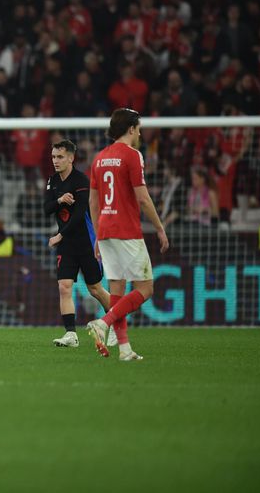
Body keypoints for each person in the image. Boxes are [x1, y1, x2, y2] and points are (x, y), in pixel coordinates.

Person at [87, 109, 169, 361]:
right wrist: (159, 227)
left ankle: (124, 349)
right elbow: (143, 199)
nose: (140, 133)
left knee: (117, 291)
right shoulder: (133, 156)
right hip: (127, 230)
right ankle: (104, 322)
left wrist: (98, 235)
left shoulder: (99, 158)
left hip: (106, 230)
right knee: (145, 288)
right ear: (131, 129)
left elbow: (93, 201)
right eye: (139, 128)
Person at [43, 139, 115, 349]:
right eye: (54, 157)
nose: (56, 161)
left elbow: (79, 215)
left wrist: (59, 236)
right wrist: (59, 201)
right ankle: (71, 335)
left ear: (71, 158)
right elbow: (46, 208)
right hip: (67, 244)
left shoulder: (81, 181)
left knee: (95, 288)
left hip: (85, 242)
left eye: (60, 157)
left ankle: (118, 322)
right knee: (64, 287)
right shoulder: (53, 181)